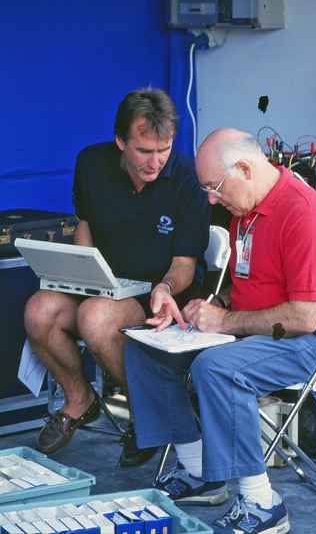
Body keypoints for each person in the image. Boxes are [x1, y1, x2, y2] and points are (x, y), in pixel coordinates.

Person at [125, 129, 316, 534]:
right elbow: (255, 285)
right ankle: (200, 474)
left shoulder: (304, 213)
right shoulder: (245, 211)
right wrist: (213, 307)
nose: (212, 200)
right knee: (146, 348)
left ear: (245, 169)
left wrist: (225, 322)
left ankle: (263, 504)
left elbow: (304, 318)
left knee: (218, 368)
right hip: (266, 330)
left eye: (215, 188)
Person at [24, 87, 210, 467]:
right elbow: (85, 225)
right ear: (120, 140)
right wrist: (78, 271)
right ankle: (80, 399)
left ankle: (147, 416)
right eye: (144, 151)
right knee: (39, 310)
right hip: (104, 282)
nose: (155, 161)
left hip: (158, 293)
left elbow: (185, 265)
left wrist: (164, 287)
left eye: (164, 149)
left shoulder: (187, 175)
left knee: (95, 316)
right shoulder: (92, 162)